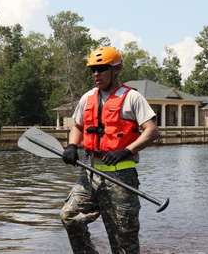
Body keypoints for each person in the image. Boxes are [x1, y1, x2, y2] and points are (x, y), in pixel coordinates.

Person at [61, 47, 160, 254]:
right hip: (90, 173)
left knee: (123, 237)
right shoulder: (87, 98)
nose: (96, 74)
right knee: (69, 216)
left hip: (121, 177)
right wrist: (71, 146)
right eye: (93, 70)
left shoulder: (132, 97)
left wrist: (126, 150)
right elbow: (77, 126)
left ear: (116, 70)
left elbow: (151, 131)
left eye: (102, 69)